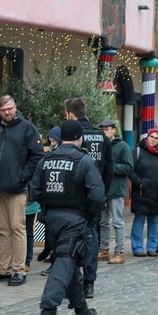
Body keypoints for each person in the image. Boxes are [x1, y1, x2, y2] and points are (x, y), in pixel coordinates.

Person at [29, 120, 105, 315]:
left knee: (67, 261)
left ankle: (81, 310)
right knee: (63, 264)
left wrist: (48, 209)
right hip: (75, 219)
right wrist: (89, 217)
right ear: (80, 138)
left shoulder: (46, 160)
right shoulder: (84, 161)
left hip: (51, 220)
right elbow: (97, 196)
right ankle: (48, 313)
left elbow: (35, 191)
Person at [0, 95, 43, 286]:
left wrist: (23, 177)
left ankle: (19, 270)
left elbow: (37, 156)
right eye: (3, 110)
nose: (7, 112)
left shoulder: (27, 128)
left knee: (17, 228)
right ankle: (3, 269)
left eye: (9, 108)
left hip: (18, 188)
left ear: (15, 108)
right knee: (3, 230)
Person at [63, 97, 111, 299]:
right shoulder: (101, 136)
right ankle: (89, 282)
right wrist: (102, 193)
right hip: (95, 196)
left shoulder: (71, 135)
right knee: (91, 239)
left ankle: (73, 280)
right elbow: (109, 169)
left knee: (69, 239)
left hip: (73, 197)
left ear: (70, 114)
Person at [98, 119, 132, 265]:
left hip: (116, 189)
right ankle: (104, 249)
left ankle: (119, 252)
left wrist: (110, 167)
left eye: (107, 129)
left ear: (113, 130)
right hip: (102, 189)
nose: (104, 132)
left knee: (117, 222)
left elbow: (128, 167)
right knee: (103, 222)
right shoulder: (99, 145)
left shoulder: (123, 146)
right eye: (102, 129)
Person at [129, 128, 158, 257]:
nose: (153, 140)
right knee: (139, 219)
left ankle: (152, 247)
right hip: (141, 191)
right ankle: (137, 247)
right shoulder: (137, 151)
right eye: (152, 137)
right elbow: (130, 170)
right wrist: (139, 182)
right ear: (147, 137)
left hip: (157, 192)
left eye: (156, 138)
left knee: (154, 220)